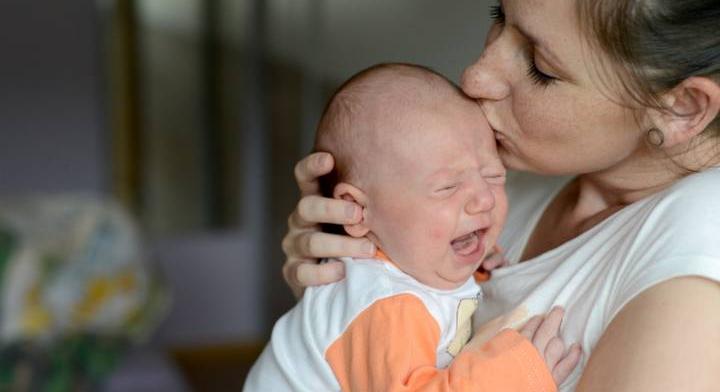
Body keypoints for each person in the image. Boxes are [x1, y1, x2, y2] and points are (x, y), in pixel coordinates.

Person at [281, 1, 720, 391]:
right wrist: (342, 289)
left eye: (540, 67)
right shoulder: (513, 174)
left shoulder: (698, 253)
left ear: (682, 107)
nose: (476, 76)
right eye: (499, 16)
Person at [246, 63, 581, 391]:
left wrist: (473, 268)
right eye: (447, 187)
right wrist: (515, 376)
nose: (484, 200)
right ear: (358, 211)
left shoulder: (410, 261)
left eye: (494, 177)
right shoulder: (385, 305)